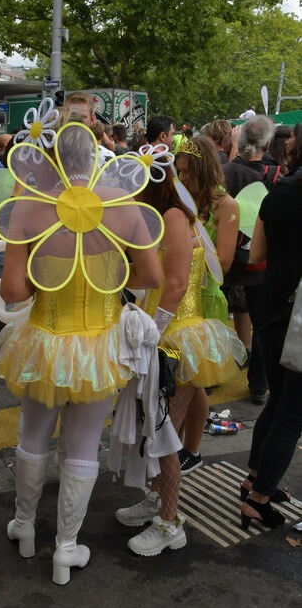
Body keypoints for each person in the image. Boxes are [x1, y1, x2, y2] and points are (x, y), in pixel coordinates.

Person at [0, 120, 163, 583]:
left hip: (44, 340)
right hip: (98, 343)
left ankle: (25, 528)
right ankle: (65, 550)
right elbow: (150, 276)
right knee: (84, 444)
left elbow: (11, 290)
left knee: (33, 436)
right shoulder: (123, 206)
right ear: (94, 156)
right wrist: (109, 274)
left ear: (49, 160)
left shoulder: (28, 206)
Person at [116, 155, 245, 555]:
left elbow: (173, 284)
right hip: (170, 335)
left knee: (163, 431)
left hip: (178, 338)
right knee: (157, 425)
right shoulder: (168, 214)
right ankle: (158, 500)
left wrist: (154, 329)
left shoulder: (172, 216)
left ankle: (170, 522)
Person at [240, 146, 302, 529]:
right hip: (299, 317)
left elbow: (257, 253)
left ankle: (254, 478)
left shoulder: (276, 191)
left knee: (280, 401)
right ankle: (259, 497)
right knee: (293, 412)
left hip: (270, 305)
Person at [174, 136, 240, 474]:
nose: (183, 179)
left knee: (196, 381)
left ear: (204, 169)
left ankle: (191, 449)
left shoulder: (224, 205)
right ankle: (174, 447)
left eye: (188, 172)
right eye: (179, 172)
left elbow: (225, 262)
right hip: (176, 298)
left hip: (205, 297)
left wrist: (190, 245)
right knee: (179, 381)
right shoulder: (181, 200)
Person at [222, 115, 274, 404]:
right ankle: (258, 385)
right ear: (267, 143)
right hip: (259, 262)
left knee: (214, 318)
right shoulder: (275, 177)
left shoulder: (226, 171)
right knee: (262, 324)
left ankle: (208, 378)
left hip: (225, 259)